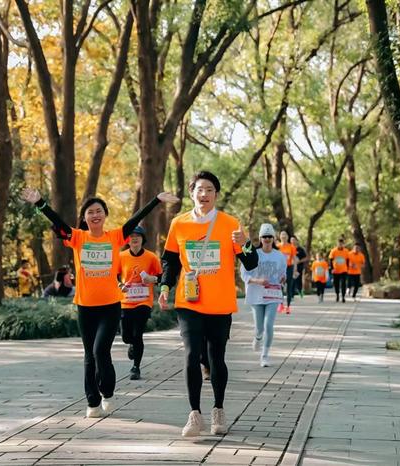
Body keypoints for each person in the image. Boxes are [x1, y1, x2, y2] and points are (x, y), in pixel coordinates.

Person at [21, 187, 178, 418]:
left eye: (99, 211)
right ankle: (92, 401)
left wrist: (156, 200)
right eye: (90, 212)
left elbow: (136, 218)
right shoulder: (77, 237)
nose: (95, 215)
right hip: (85, 306)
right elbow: (57, 221)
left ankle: (107, 392)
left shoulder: (115, 236)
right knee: (89, 355)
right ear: (85, 218)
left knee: (100, 351)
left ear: (105, 215)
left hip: (111, 306)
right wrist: (39, 202)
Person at [159, 170, 258, 437]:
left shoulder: (230, 224)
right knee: (191, 356)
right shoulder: (179, 224)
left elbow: (251, 262)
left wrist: (246, 244)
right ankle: (194, 414)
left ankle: (218, 409)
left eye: (210, 190)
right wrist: (165, 286)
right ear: (192, 192)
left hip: (220, 303)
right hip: (189, 301)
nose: (204, 195)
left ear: (216, 194)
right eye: (200, 189)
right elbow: (169, 260)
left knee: (216, 359)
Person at [119, 225, 162, 380]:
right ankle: (131, 344)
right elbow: (114, 276)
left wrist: (153, 279)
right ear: (127, 240)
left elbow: (162, 277)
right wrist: (119, 285)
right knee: (126, 336)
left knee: (138, 334)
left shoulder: (151, 258)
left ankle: (135, 367)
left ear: (143, 239)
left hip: (144, 301)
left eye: (137, 235)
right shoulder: (121, 256)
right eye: (131, 236)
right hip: (125, 301)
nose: (134, 238)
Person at [241, 223, 286, 367]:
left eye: (269, 236)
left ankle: (265, 355)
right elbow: (244, 274)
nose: (267, 239)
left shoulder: (279, 256)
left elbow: (282, 273)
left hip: (273, 294)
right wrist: (257, 281)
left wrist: (283, 278)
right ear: (260, 238)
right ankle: (258, 337)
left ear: (273, 238)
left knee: (268, 325)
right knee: (259, 327)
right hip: (256, 294)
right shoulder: (253, 254)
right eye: (264, 236)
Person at [276, 230, 297, 314]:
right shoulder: (277, 247)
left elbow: (295, 259)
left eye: (285, 235)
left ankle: (288, 307)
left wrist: (295, 269)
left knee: (289, 288)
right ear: (280, 237)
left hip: (289, 268)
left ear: (287, 237)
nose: (284, 236)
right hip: (280, 269)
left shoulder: (291, 247)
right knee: (280, 287)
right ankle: (281, 305)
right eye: (282, 235)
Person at [329, 238, 349, 303]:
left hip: (344, 270)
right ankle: (337, 294)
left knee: (343, 283)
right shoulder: (333, 251)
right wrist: (331, 269)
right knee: (336, 283)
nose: (340, 245)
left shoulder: (346, 251)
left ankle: (343, 296)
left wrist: (348, 268)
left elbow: (347, 260)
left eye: (342, 244)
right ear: (337, 244)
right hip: (336, 270)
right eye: (339, 244)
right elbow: (331, 260)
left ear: (343, 244)